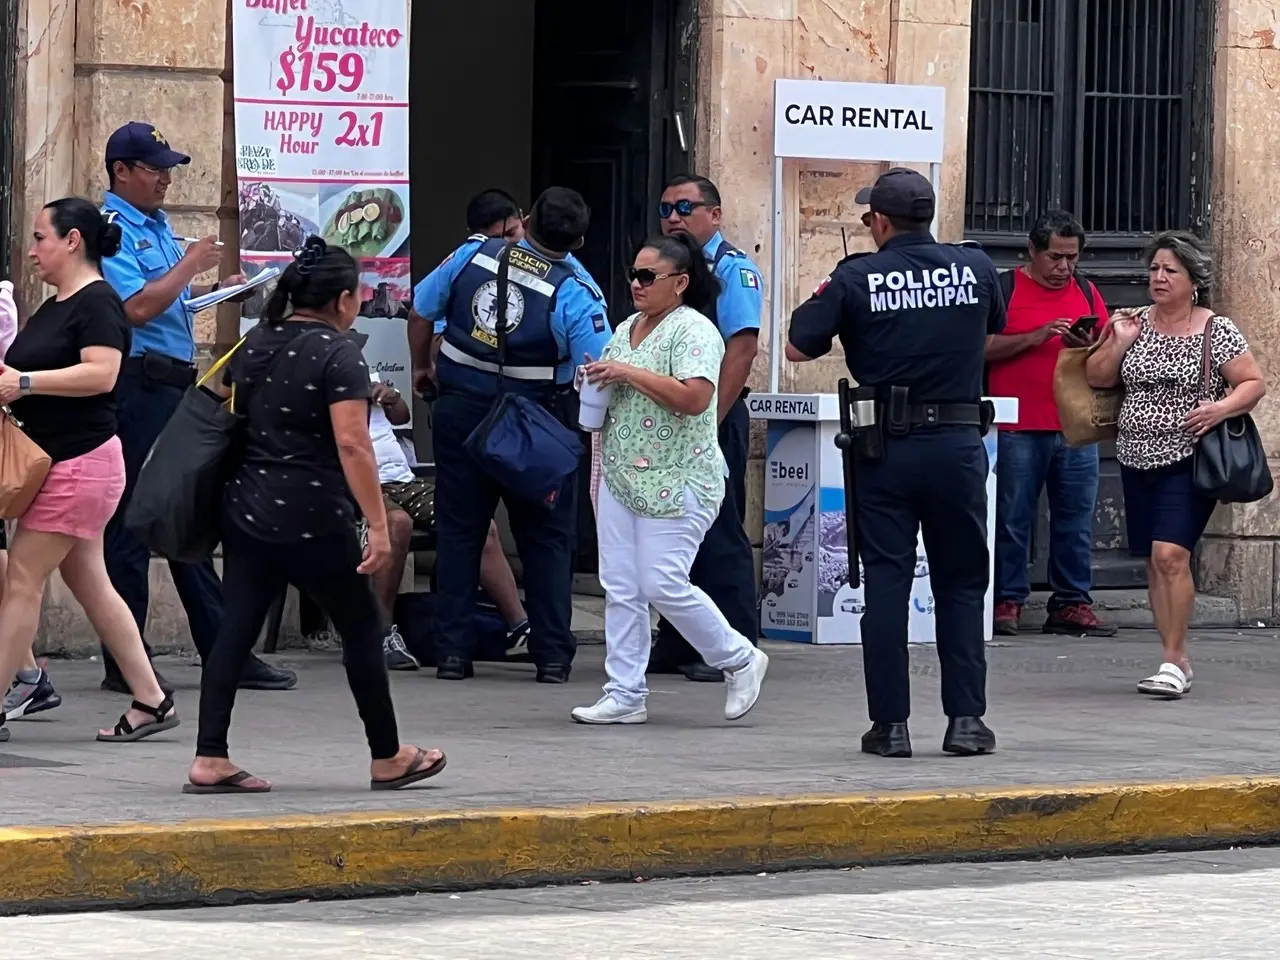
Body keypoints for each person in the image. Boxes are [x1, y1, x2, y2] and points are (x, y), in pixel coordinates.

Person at [185, 237, 446, 794]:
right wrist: (378, 525)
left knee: (236, 627)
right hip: (313, 514)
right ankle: (388, 755)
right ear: (344, 300)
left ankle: (210, 756)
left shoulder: (258, 341)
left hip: (248, 507)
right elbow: (354, 444)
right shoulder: (339, 353)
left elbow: (215, 397)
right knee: (361, 628)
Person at [785, 168, 1005, 759]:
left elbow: (797, 343)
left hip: (886, 448)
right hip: (958, 446)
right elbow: (993, 325)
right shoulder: (977, 267)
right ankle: (966, 722)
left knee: (885, 581)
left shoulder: (856, 275)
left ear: (879, 222)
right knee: (961, 581)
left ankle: (891, 726)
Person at [99, 121, 295, 694]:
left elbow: (170, 305)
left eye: (168, 168)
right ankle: (127, 660)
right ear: (122, 172)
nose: (165, 179)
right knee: (138, 520)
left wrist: (221, 288)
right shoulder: (113, 230)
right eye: (155, 168)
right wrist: (191, 267)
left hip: (171, 383)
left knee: (185, 514)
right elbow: (135, 308)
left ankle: (223, 648)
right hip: (137, 385)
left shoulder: (157, 226)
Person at [411, 187, 610, 682]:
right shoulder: (575, 290)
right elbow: (599, 369)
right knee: (545, 538)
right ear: (580, 240)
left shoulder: (471, 255)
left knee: (460, 532)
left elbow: (420, 309)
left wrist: (421, 366)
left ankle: (453, 654)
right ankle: (552, 657)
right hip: (534, 424)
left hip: (461, 413)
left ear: (524, 219)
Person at [572, 233, 769, 724]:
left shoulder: (695, 331)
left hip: (679, 476)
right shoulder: (626, 329)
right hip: (623, 475)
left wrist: (625, 373)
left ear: (679, 283)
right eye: (633, 274)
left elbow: (694, 398)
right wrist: (597, 378)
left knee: (662, 579)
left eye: (647, 276)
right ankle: (624, 693)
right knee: (620, 584)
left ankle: (738, 657)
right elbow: (618, 384)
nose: (636, 284)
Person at [0, 198, 176, 744]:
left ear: (72, 240)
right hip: (72, 462)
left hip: (79, 464)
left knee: (21, 581)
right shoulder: (60, 304)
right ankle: (151, 696)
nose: (32, 251)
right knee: (92, 583)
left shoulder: (98, 303)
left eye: (40, 239)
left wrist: (23, 383)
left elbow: (102, 375)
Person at [1086, 232, 1265, 700]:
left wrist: (1220, 409)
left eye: (1170, 271)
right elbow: (1097, 377)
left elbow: (1252, 384)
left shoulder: (1217, 330)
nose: (1159, 278)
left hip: (1189, 458)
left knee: (1172, 555)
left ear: (1193, 281)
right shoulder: (1131, 321)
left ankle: (1172, 656)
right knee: (1153, 560)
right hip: (1134, 455)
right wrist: (1119, 341)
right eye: (1154, 270)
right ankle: (1174, 657)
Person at [649, 174, 762, 683]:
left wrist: (709, 419)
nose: (673, 217)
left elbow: (741, 349)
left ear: (714, 215)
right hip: (672, 414)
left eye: (685, 207)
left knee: (719, 529)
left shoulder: (732, 271)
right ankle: (678, 641)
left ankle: (734, 644)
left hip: (711, 414)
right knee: (675, 532)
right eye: (667, 208)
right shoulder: (671, 269)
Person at [986, 210, 1116, 638]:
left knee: (1075, 519)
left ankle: (1072, 603)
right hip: (1017, 424)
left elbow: (1104, 355)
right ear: (1032, 251)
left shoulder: (1085, 290)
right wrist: (1035, 336)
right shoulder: (1003, 289)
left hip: (1074, 425)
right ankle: (1006, 600)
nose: (1064, 268)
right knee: (1011, 517)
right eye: (1055, 258)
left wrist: (1089, 344)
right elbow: (977, 348)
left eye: (1072, 258)